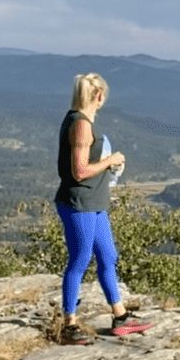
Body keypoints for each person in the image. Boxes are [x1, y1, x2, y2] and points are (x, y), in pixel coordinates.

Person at [54, 72, 152, 344]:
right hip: (80, 203)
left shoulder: (77, 121)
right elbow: (79, 171)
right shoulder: (81, 125)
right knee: (80, 260)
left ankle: (120, 317)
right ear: (99, 97)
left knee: (108, 256)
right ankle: (69, 325)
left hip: (94, 202)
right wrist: (111, 160)